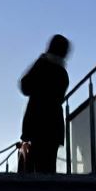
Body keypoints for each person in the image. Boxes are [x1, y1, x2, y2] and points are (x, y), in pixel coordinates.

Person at [18, 35, 71, 174]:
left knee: (34, 169)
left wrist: (40, 60)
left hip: (37, 124)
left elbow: (25, 86)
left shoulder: (42, 66)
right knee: (48, 168)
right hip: (54, 126)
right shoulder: (63, 74)